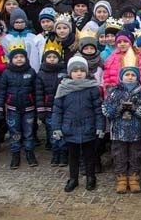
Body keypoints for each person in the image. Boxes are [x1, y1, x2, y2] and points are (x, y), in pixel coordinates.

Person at [52, 56, 105, 192]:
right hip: (70, 128)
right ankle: (73, 179)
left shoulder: (92, 88)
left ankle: (90, 177)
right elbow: (57, 110)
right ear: (70, 72)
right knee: (73, 156)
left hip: (89, 127)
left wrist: (100, 126)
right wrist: (56, 127)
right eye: (75, 71)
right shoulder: (63, 88)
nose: (79, 73)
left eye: (82, 70)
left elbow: (98, 110)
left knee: (89, 155)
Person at [103, 62, 141, 194]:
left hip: (136, 132)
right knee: (119, 155)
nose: (130, 77)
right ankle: (121, 178)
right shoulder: (114, 92)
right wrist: (119, 108)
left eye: (133, 75)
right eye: (127, 75)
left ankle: (134, 177)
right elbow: (106, 110)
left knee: (135, 154)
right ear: (121, 77)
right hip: (119, 132)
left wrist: (135, 108)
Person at [0, 38, 38, 169]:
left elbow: (36, 90)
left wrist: (38, 105)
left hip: (29, 108)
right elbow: (2, 91)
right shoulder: (7, 73)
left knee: (29, 132)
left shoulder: (31, 72)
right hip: (13, 108)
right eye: (16, 57)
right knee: (14, 132)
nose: (19, 59)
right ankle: (15, 154)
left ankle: (29, 152)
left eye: (21, 57)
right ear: (11, 59)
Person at [36, 38, 68, 167]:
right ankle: (55, 153)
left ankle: (64, 153)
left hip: (63, 108)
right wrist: (40, 109)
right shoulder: (41, 74)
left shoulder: (64, 72)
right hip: (49, 109)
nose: (52, 59)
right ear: (45, 59)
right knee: (52, 132)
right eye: (49, 57)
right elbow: (38, 93)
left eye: (54, 57)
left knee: (64, 131)